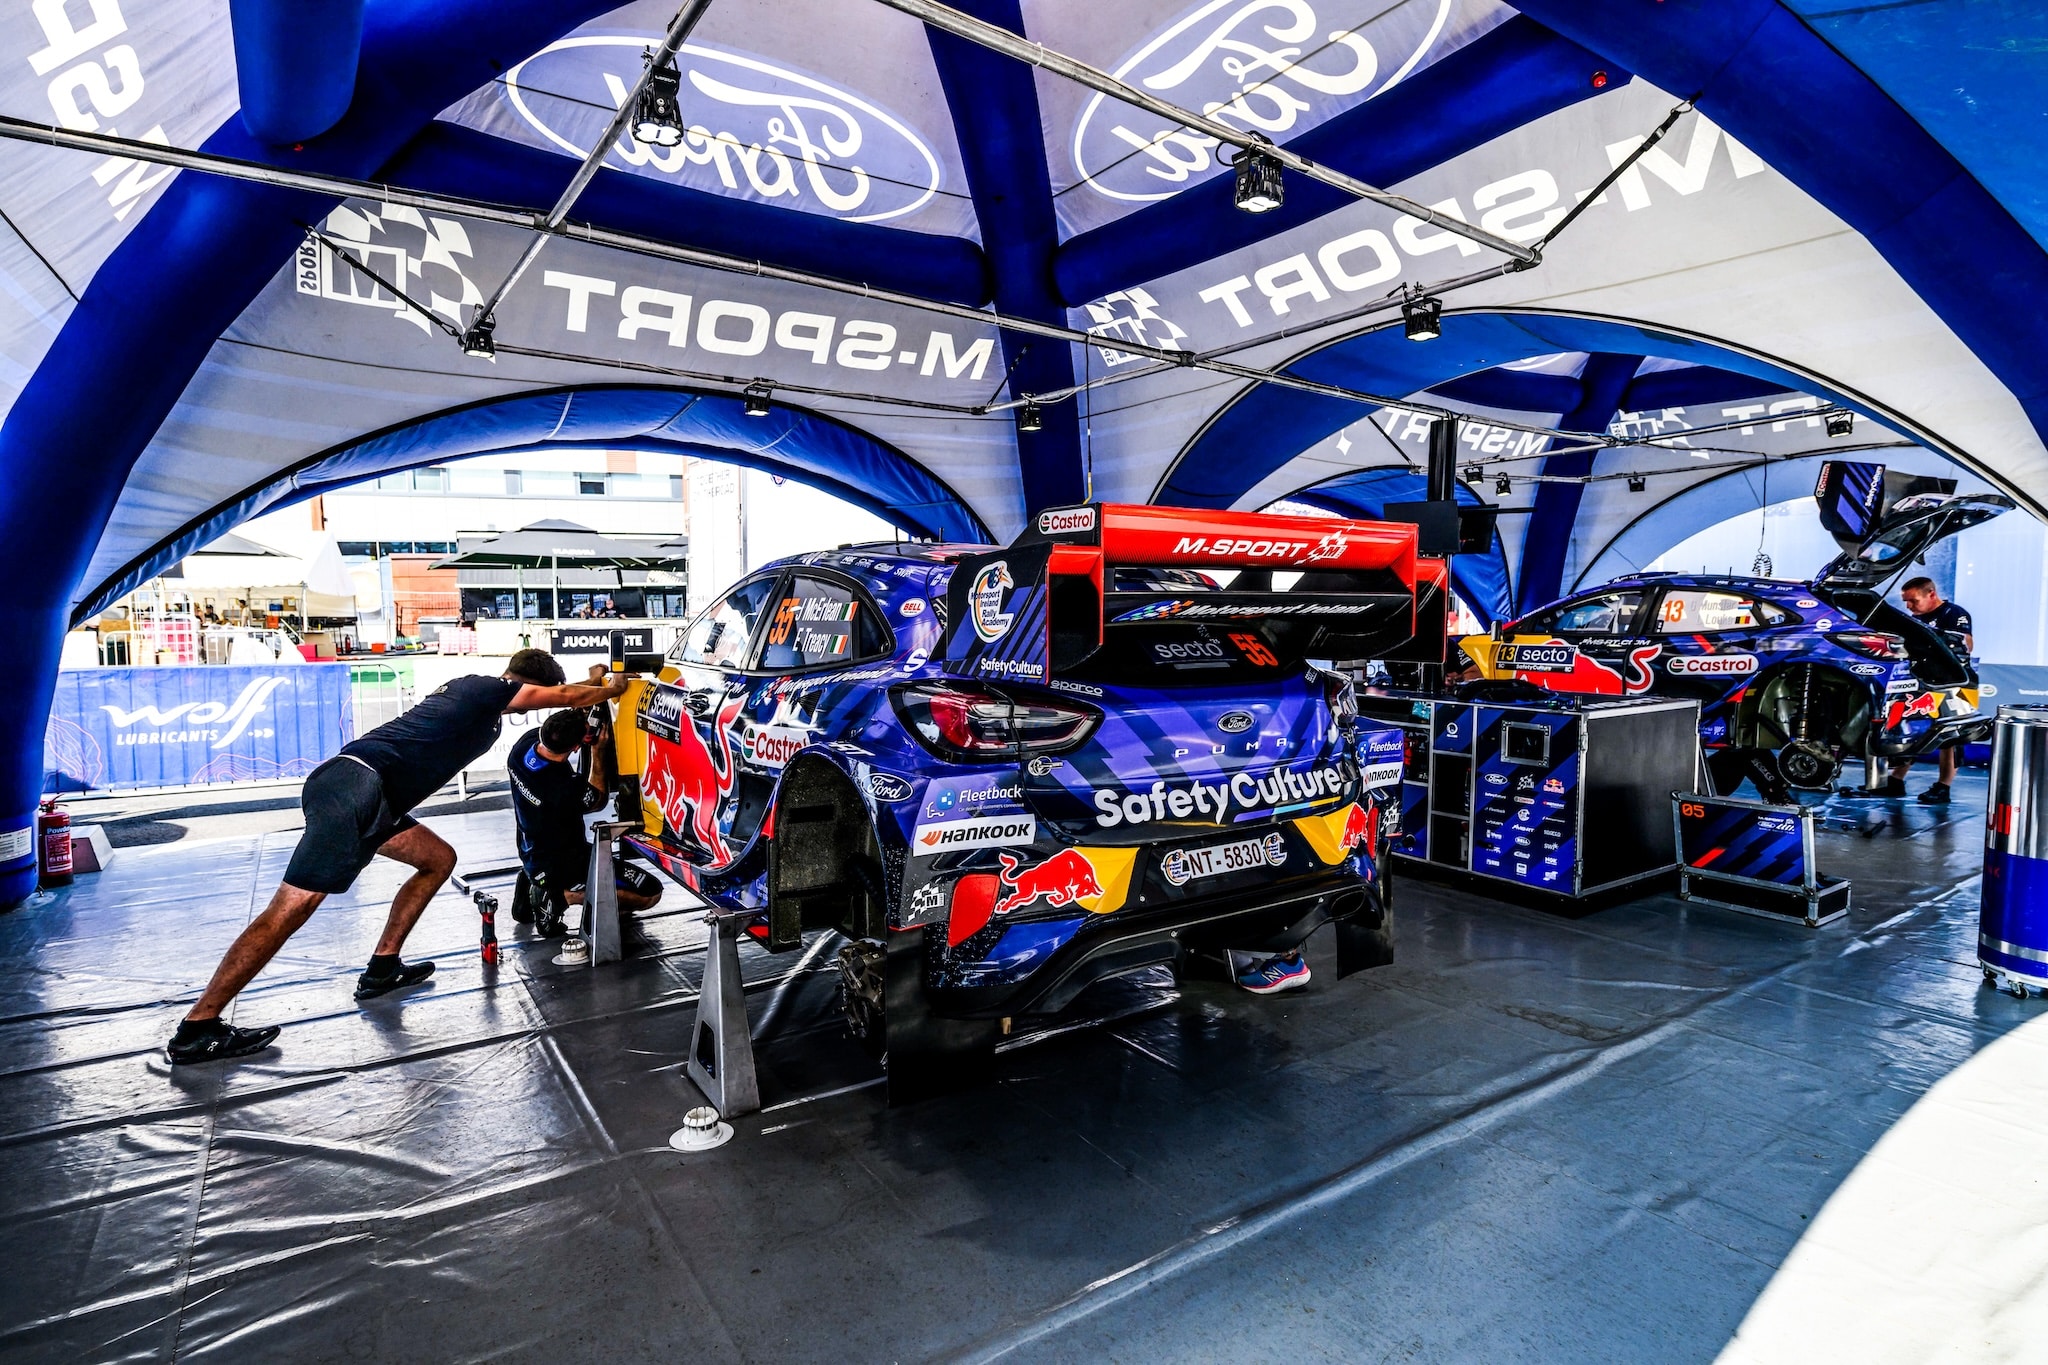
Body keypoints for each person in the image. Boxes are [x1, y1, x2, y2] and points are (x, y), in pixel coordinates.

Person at [165, 648, 629, 1065]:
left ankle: (383, 968)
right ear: (527, 682)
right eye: (540, 693)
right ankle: (198, 1027)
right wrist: (612, 688)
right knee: (290, 908)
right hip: (358, 791)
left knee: (437, 860)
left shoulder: (482, 703)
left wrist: (594, 681)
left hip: (371, 796)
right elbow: (565, 696)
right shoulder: (485, 688)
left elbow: (566, 694)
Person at [507, 706, 662, 932]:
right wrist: (598, 752)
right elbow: (597, 799)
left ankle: (532, 882)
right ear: (576, 747)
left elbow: (561, 731)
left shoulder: (522, 747)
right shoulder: (561, 788)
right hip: (563, 862)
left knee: (618, 908)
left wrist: (583, 713)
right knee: (649, 894)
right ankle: (558, 897)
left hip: (532, 850)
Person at [1865, 576, 1974, 805]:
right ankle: (1896, 780)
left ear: (1931, 594)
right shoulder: (1913, 620)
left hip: (1958, 682)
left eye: (1913, 600)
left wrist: (1934, 639)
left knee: (1951, 736)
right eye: (1906, 601)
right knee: (1913, 729)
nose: (1909, 606)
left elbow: (1966, 644)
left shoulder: (1954, 613)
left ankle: (1943, 787)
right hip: (1923, 680)